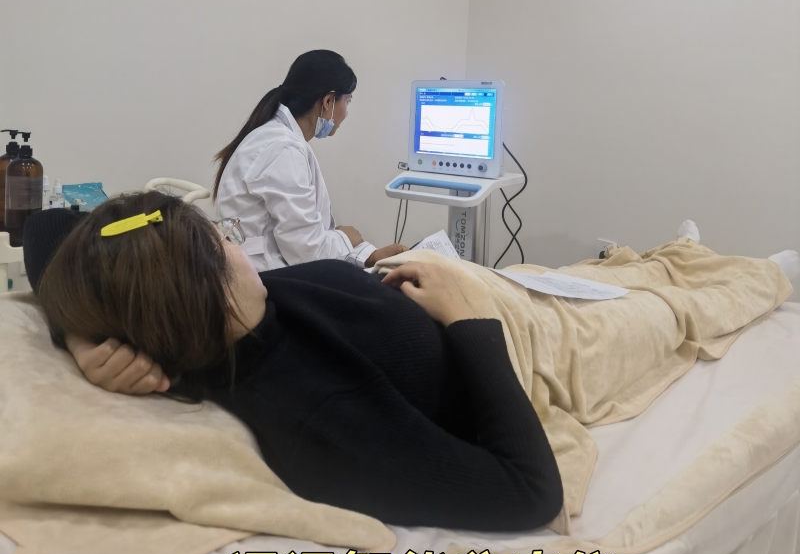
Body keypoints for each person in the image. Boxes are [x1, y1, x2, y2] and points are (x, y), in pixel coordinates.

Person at [28, 194, 564, 532]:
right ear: (202, 291)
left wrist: (79, 335)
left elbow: (45, 230)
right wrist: (470, 318)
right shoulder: (319, 417)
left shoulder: (231, 319)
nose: (239, 246)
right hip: (502, 319)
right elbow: (530, 493)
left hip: (424, 281)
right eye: (226, 240)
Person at [214, 50, 405, 270]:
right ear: (328, 101)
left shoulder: (278, 139)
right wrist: (345, 238)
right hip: (266, 278)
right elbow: (307, 253)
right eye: (347, 102)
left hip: (271, 269)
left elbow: (306, 238)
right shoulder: (283, 150)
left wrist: (369, 256)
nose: (346, 113)